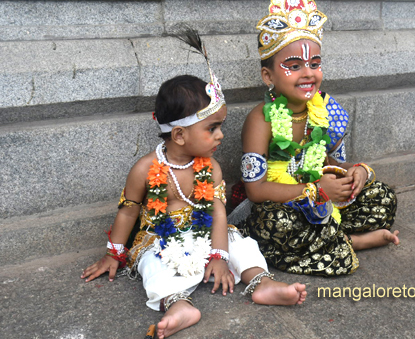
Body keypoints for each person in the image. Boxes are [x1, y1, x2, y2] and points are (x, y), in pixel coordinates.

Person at [81, 30, 306, 339]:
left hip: (207, 233)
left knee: (243, 246)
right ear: (179, 135)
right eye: (212, 128)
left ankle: (262, 283)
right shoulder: (145, 169)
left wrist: (219, 256)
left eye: (221, 127)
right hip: (162, 238)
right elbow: (128, 213)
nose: (220, 136)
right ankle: (177, 305)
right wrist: (113, 254)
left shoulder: (210, 167)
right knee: (153, 266)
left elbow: (218, 213)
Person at [237, 0, 399, 277]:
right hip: (282, 205)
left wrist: (357, 172)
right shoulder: (260, 120)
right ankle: (349, 241)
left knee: (382, 197)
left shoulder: (322, 109)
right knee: (276, 224)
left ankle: (333, 239)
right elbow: (256, 190)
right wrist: (313, 191)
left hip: (318, 196)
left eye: (315, 64)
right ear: (268, 76)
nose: (308, 73)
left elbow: (325, 161)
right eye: (294, 66)